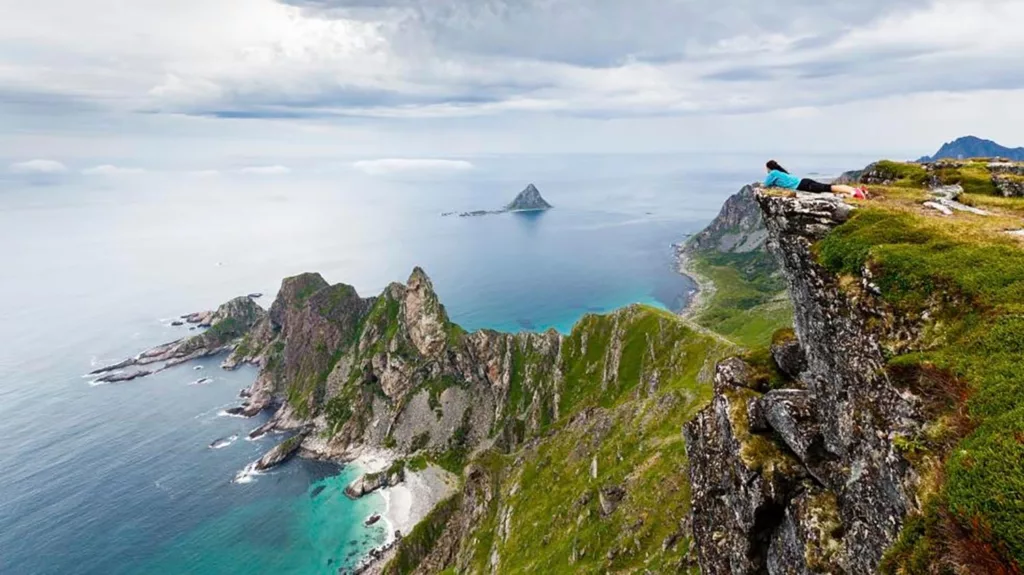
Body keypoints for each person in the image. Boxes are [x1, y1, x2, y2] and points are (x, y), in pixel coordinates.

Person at [763, 160, 868, 198]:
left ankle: (853, 191)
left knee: (829, 188)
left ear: (769, 168)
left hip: (803, 185)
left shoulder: (773, 173)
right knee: (828, 188)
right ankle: (853, 191)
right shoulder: (780, 172)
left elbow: (765, 185)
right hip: (804, 182)